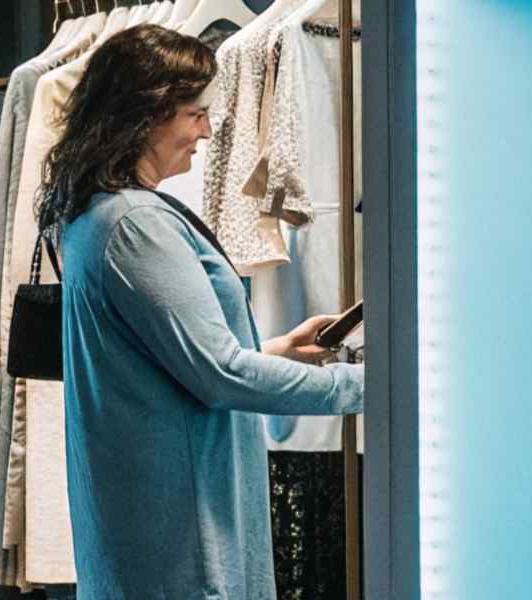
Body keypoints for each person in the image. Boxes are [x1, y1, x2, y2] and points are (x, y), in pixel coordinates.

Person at [37, 24, 365, 600]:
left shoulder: (98, 214)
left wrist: (277, 352)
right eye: (194, 114)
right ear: (146, 116)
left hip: (155, 524)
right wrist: (363, 386)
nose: (208, 131)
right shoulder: (135, 225)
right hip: (184, 540)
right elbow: (220, 375)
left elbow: (171, 362)